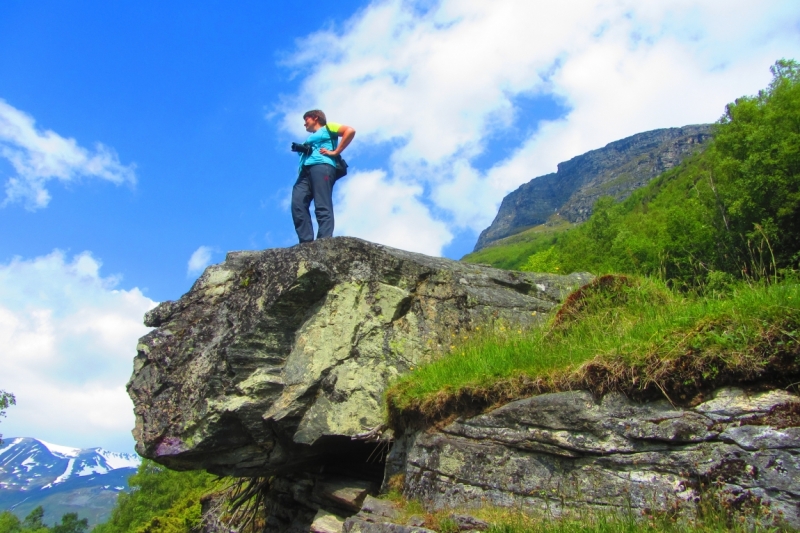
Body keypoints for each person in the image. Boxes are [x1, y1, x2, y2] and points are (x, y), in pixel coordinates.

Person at [291, 110, 355, 243]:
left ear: (316, 118)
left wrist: (336, 152)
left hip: (322, 166)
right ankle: (306, 242)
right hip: (305, 171)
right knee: (298, 203)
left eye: (306, 119)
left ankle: (324, 241)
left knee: (322, 203)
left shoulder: (328, 127)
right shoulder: (311, 138)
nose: (304, 124)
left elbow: (350, 130)